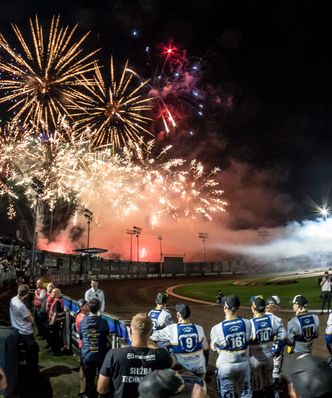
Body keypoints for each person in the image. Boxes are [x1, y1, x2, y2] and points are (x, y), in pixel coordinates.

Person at [97, 313, 172, 398]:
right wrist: (153, 344)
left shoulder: (114, 354)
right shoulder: (162, 355)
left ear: (130, 331)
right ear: (151, 333)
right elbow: (175, 364)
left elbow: (101, 389)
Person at [151, 303, 209, 379]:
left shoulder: (172, 329)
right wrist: (205, 365)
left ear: (178, 315)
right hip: (199, 369)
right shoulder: (199, 328)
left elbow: (152, 336)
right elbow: (206, 348)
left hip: (182, 371)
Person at [210, 295, 251, 398]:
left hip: (226, 366)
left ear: (225, 308)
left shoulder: (217, 328)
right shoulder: (247, 323)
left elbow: (213, 347)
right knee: (245, 394)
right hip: (244, 365)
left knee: (227, 395)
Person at [249, 296, 286, 398]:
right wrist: (276, 351)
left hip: (255, 360)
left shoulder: (250, 323)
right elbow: (283, 337)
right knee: (269, 385)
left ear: (253, 308)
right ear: (265, 307)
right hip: (269, 357)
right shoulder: (274, 320)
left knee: (257, 388)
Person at [79, 298, 109, 398]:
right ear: (99, 308)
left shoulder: (83, 321)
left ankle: (90, 395)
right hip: (100, 356)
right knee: (102, 378)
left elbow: (81, 336)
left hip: (87, 355)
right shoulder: (104, 322)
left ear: (89, 308)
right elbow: (106, 335)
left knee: (89, 380)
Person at [9, 284, 39, 381]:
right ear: (26, 295)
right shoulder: (21, 306)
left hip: (17, 329)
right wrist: (30, 314)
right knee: (32, 354)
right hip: (25, 332)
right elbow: (31, 320)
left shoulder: (13, 300)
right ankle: (33, 374)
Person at [265, 296, 287, 388]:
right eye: (278, 305)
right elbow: (283, 338)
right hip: (274, 352)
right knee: (275, 374)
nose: (279, 307)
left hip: (260, 354)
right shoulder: (277, 320)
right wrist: (276, 352)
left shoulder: (256, 318)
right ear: (274, 306)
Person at [75, 298, 89, 398]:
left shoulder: (80, 315)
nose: (88, 306)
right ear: (82, 307)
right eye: (87, 305)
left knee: (82, 367)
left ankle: (83, 389)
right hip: (84, 345)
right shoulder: (83, 318)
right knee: (84, 368)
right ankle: (83, 390)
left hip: (81, 344)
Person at [48, 287, 65, 355]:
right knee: (55, 337)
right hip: (57, 322)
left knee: (55, 337)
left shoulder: (57, 302)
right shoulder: (57, 301)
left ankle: (56, 351)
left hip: (56, 323)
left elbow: (55, 313)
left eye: (53, 292)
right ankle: (55, 349)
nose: (51, 293)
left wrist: (52, 322)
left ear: (57, 294)